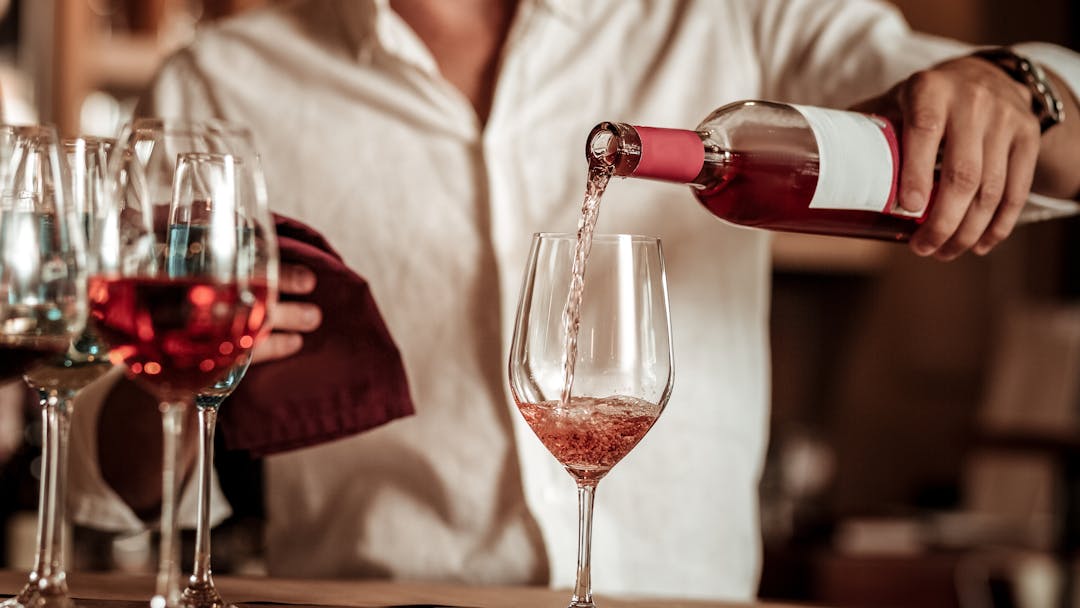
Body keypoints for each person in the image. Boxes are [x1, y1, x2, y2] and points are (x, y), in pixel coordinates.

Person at [67, 0, 1080, 600]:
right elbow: (113, 487)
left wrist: (1013, 85)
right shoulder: (225, 79)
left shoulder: (731, 20)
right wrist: (196, 381)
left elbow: (1058, 143)